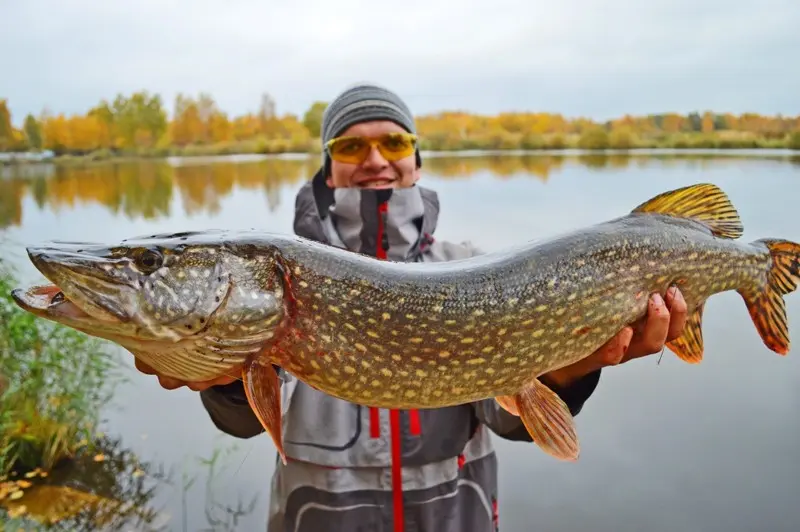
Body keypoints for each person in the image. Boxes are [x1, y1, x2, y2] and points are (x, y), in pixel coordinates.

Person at [135, 83, 688, 532]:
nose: (375, 160)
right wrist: (219, 375)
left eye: (394, 144)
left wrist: (573, 367)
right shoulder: (282, 284)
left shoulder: (472, 264)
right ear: (328, 170)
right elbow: (240, 424)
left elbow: (507, 418)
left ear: (416, 163)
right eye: (351, 147)